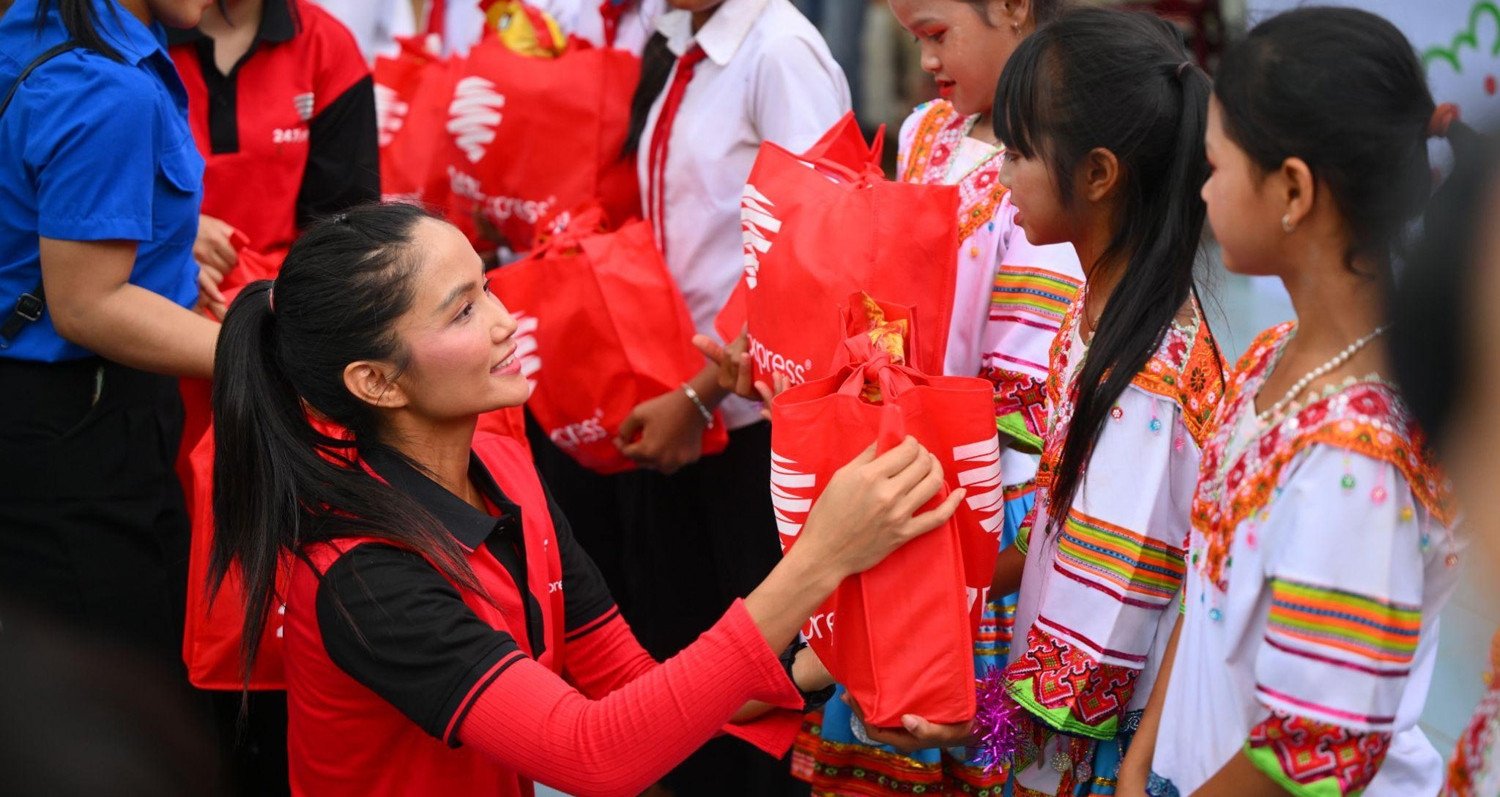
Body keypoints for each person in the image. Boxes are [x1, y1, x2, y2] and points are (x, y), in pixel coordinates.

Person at [208, 201, 965, 797]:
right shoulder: (361, 575)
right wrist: (818, 561)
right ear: (375, 381)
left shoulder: (504, 465)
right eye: (464, 310)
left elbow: (635, 687)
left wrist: (830, 670)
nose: (509, 323)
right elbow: (593, 752)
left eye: (489, 288)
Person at [1119, 8, 1470, 796]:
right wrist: (1146, 756)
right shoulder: (1269, 359)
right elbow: (1208, 595)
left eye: (1215, 165)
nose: (1202, 188)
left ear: (1294, 189)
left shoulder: (1357, 460)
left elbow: (1310, 751)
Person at [786, 1, 1080, 793]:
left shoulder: (1071, 153)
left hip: (994, 508)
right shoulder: (926, 134)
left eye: (937, 35)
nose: (924, 63)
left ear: (1015, 7)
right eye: (914, 39)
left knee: (969, 739)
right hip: (906, 479)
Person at [974, 8, 1223, 794]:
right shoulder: (1095, 314)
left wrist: (1010, 732)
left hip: (1089, 752)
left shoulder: (1153, 373)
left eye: (1018, 152)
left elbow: (1110, 604)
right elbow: (1058, 520)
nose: (1000, 173)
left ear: (1099, 174)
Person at [0, 0, 219, 673]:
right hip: (79, 428)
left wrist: (178, 244)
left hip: (46, 413)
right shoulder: (107, 89)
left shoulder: (42, 26)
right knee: (120, 685)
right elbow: (89, 306)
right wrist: (270, 351)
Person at [170, 0, 379, 311]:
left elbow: (346, 232)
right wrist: (172, 230)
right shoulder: (130, 38)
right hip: (153, 285)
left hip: (280, 301)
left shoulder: (326, 44)